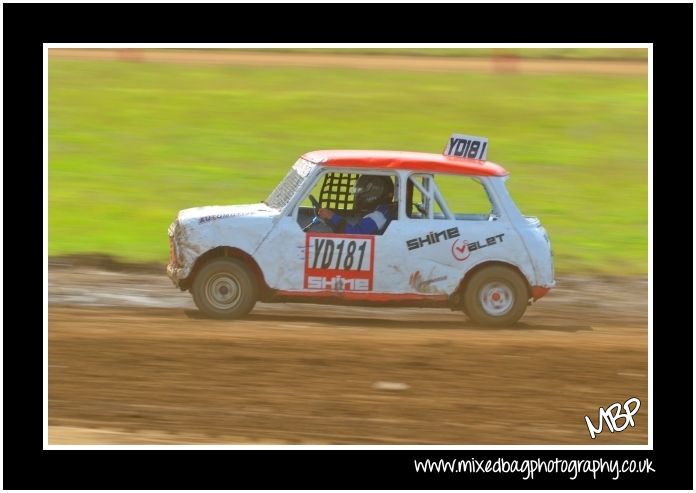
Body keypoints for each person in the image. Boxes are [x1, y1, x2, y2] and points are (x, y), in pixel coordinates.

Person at [318, 175, 396, 235]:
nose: (360, 192)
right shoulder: (382, 211)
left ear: (377, 192)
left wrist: (332, 216)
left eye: (364, 190)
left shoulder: (378, 216)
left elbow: (354, 235)